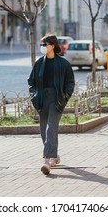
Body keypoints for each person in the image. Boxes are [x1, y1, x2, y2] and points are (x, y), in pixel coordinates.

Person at [28, 33, 75, 175]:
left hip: (57, 99)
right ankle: (54, 156)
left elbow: (70, 83)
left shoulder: (63, 63)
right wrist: (34, 97)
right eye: (41, 44)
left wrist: (65, 97)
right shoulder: (38, 63)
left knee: (51, 128)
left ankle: (47, 161)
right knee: (44, 130)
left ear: (53, 46)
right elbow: (31, 82)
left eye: (45, 44)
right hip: (42, 99)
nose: (42, 47)